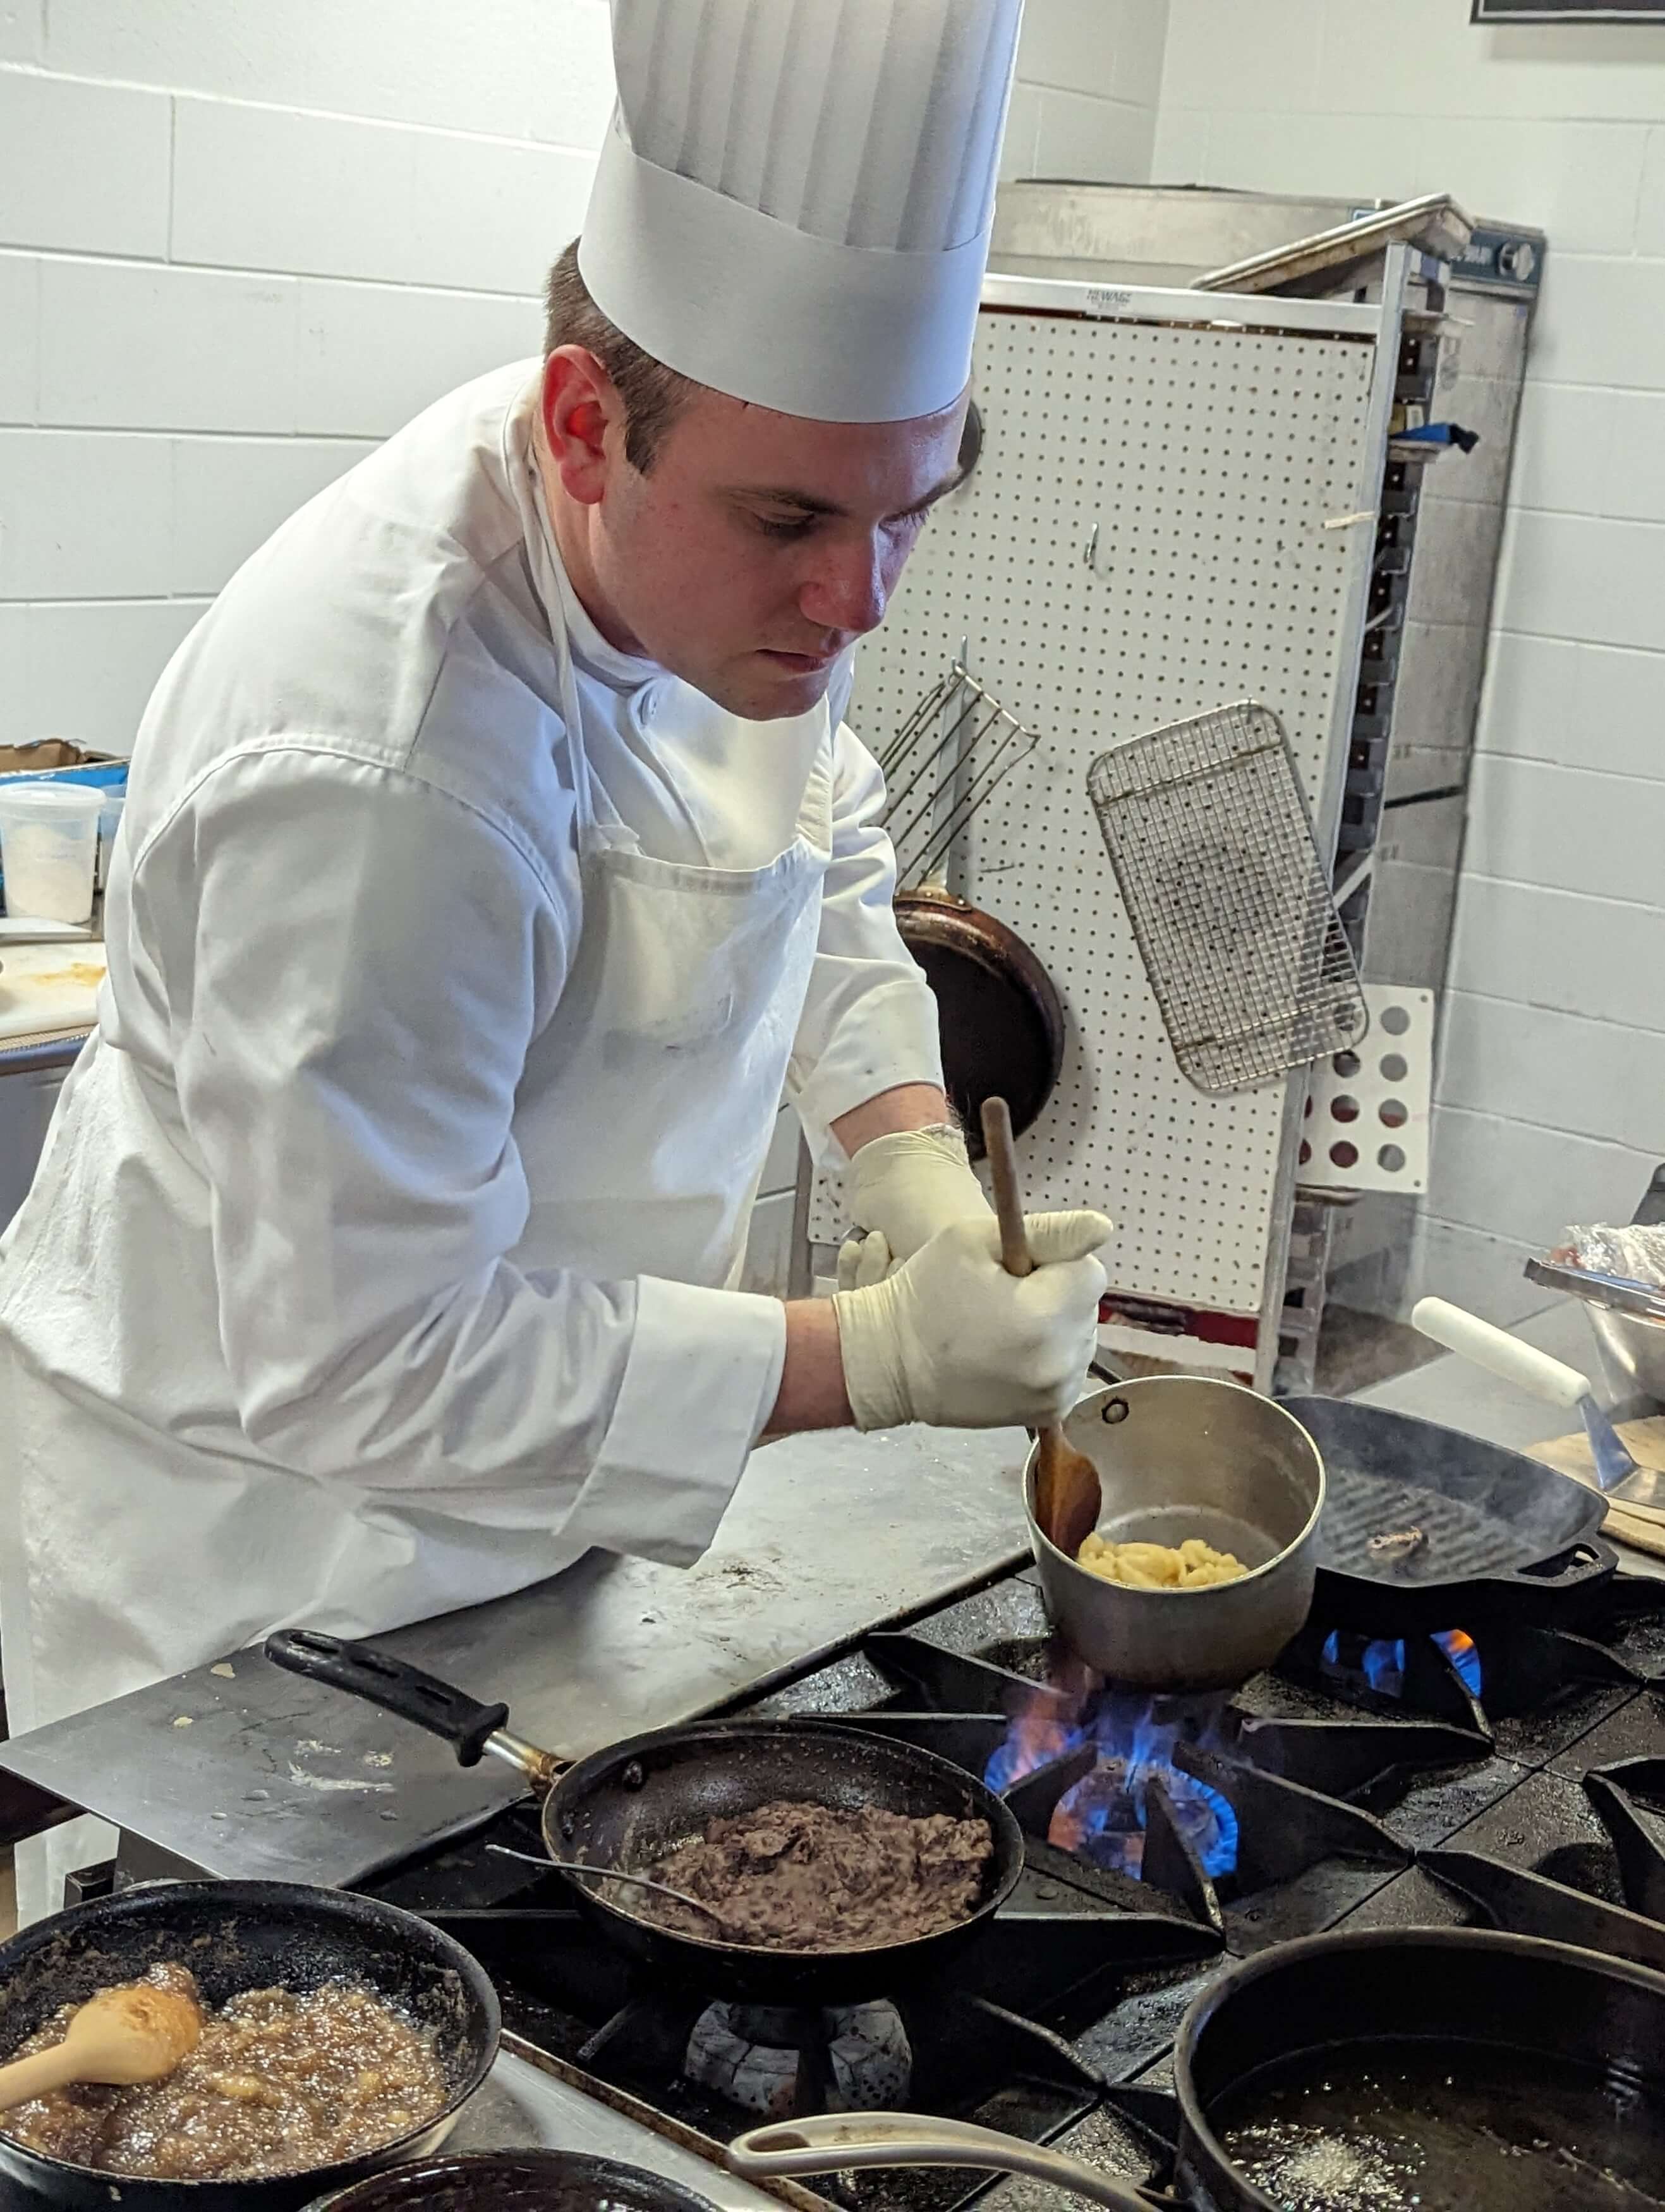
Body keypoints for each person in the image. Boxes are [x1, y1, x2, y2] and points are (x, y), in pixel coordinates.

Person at [0, 0, 1110, 1922]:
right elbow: (367, 1360)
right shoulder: (378, 764)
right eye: (791, 522)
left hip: (553, 1478)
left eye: (906, 515)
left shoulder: (726, 574)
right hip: (274, 1559)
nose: (852, 603)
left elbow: (820, 825)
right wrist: (876, 1357)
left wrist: (905, 1155)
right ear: (587, 426)